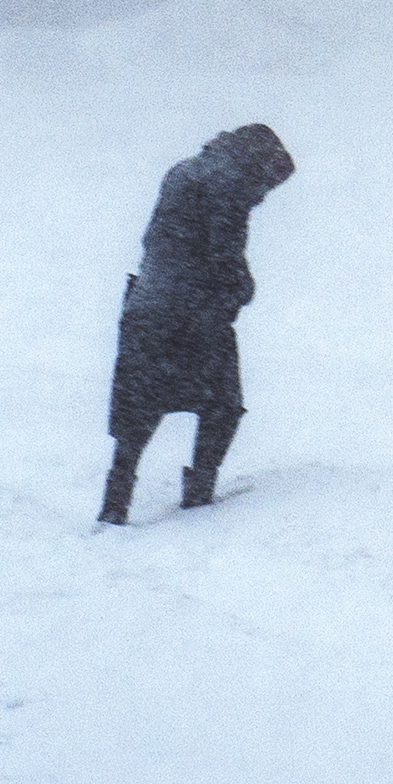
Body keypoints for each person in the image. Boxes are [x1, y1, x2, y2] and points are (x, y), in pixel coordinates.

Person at [99, 123, 296, 525]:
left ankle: (115, 501)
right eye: (268, 184)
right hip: (194, 315)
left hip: (147, 306)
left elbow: (158, 239)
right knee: (221, 403)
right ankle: (200, 491)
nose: (263, 196)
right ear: (257, 164)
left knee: (139, 404)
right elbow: (225, 255)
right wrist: (243, 288)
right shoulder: (229, 186)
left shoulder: (184, 170)